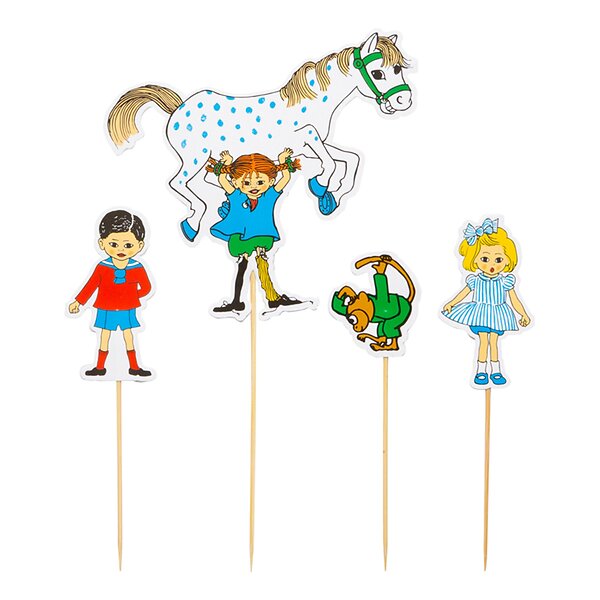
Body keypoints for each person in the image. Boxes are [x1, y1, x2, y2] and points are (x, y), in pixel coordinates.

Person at [207, 148, 302, 313]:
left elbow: (285, 177)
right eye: (246, 183)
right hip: (242, 237)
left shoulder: (269, 196)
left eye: (260, 182)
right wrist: (227, 162)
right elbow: (222, 179)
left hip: (261, 235)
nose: (253, 187)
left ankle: (272, 298)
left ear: (271, 181)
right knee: (242, 266)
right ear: (236, 182)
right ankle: (237, 301)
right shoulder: (236, 196)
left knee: (262, 264)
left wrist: (282, 159)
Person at [442, 218, 530, 386]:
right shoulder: (475, 280)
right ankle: (481, 371)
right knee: (483, 341)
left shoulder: (505, 281)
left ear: (507, 260)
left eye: (498, 260)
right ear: (474, 259)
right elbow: (464, 293)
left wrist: (523, 314)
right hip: (480, 314)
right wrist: (451, 303)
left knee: (494, 342)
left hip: (498, 315)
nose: (491, 265)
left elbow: (514, 299)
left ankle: (496, 371)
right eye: (484, 259)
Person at [69, 210, 152, 377]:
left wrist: (131, 296)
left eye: (128, 245)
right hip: (105, 308)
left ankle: (134, 367)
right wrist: (78, 302)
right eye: (114, 244)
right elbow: (91, 285)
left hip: (127, 308)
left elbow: (146, 288)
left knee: (128, 336)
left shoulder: (137, 267)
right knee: (104, 336)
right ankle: (100, 367)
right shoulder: (102, 267)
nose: (120, 249)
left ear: (139, 245)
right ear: (102, 243)